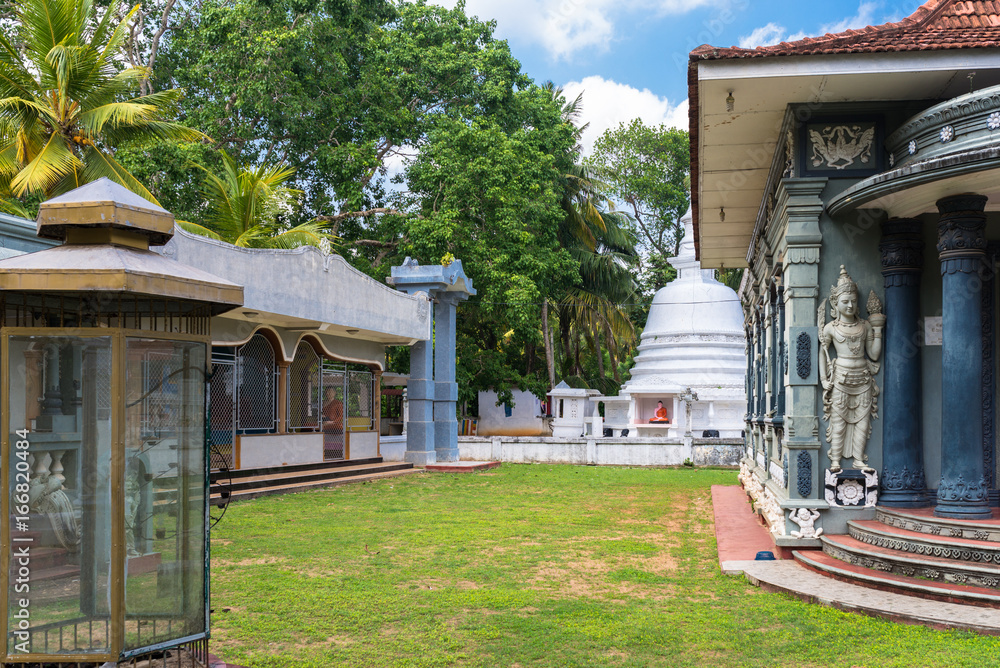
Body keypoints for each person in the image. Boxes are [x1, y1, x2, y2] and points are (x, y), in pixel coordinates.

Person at [819, 266, 884, 472]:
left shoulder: (865, 326)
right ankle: (836, 461)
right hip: (840, 379)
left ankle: (858, 460)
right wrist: (823, 379)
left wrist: (878, 329)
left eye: (853, 301)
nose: (849, 305)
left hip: (863, 379)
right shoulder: (830, 328)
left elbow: (873, 354)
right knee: (838, 423)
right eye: (845, 301)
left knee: (862, 424)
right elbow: (823, 353)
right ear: (835, 304)